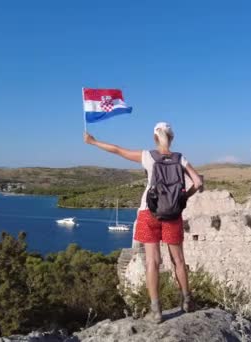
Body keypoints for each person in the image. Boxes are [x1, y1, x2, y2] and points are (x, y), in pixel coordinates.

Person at [83, 122, 203, 323]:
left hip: (149, 213)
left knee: (152, 262)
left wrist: (93, 142)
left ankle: (156, 311)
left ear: (155, 138)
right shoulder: (180, 158)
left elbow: (117, 150)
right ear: (171, 138)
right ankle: (187, 302)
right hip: (173, 215)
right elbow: (198, 182)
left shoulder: (148, 156)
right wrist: (183, 198)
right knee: (179, 261)